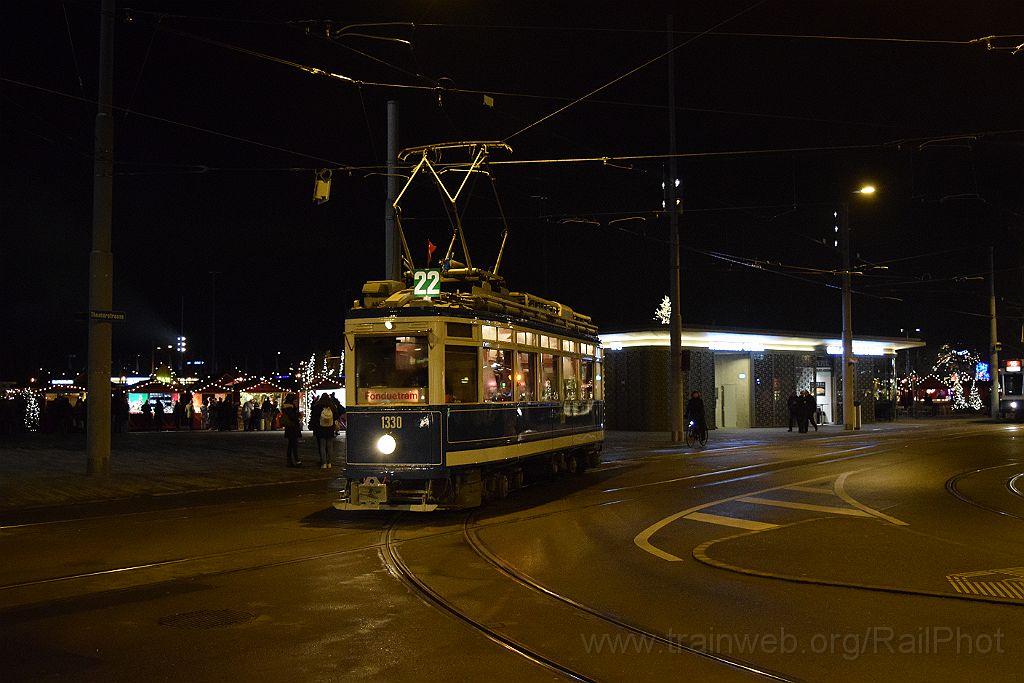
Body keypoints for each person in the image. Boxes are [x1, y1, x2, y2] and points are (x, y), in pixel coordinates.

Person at [309, 393, 336, 469]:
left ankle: (323, 463)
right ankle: (329, 463)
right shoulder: (332, 406)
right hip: (330, 428)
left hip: (320, 428)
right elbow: (337, 414)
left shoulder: (318, 405)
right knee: (330, 446)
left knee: (322, 446)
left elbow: (314, 417)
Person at [281, 393, 302, 467]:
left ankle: (290, 460)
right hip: (292, 427)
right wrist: (298, 415)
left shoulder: (286, 406)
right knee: (294, 444)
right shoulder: (290, 407)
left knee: (291, 444)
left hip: (289, 427)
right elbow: (292, 416)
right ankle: (296, 460)